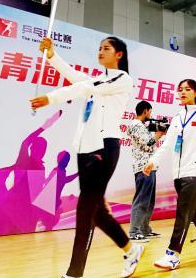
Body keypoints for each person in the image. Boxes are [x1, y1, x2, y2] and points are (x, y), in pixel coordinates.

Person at [30, 36, 142, 278]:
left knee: (84, 211)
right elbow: (73, 76)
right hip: (84, 149)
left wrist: (51, 98)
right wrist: (52, 55)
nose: (100, 51)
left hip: (104, 148)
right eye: (99, 48)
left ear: (119, 54)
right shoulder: (97, 79)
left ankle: (74, 272)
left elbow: (85, 87)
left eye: (106, 48)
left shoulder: (122, 79)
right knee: (96, 211)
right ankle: (131, 250)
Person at [143, 79, 196, 270]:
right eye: (180, 90)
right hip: (178, 173)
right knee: (194, 210)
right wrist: (153, 161)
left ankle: (173, 254)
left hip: (194, 170)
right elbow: (168, 144)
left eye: (187, 89)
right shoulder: (178, 118)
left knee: (183, 212)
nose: (183, 92)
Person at [126, 100, 164, 242]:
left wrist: (156, 136)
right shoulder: (136, 125)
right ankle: (134, 232)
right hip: (143, 167)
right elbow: (147, 145)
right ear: (145, 111)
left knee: (149, 201)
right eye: (150, 111)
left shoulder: (141, 126)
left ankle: (144, 229)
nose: (150, 114)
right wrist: (158, 136)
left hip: (149, 166)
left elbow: (148, 143)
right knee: (142, 200)